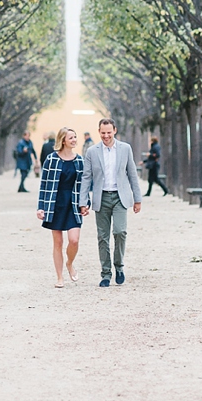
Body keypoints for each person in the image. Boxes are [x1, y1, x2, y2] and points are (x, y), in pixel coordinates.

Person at [79, 118, 142, 287]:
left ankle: (119, 267)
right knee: (103, 237)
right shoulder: (92, 151)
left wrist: (138, 199)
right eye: (103, 133)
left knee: (120, 232)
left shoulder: (125, 149)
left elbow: (132, 174)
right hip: (101, 198)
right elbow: (86, 178)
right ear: (99, 132)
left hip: (120, 197)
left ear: (115, 130)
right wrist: (82, 201)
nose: (106, 136)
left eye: (108, 132)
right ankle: (106, 273)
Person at [37, 127, 84, 287]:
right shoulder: (51, 159)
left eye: (75, 137)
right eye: (71, 137)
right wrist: (41, 206)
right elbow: (43, 184)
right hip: (55, 204)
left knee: (74, 240)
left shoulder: (80, 161)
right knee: (57, 242)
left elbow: (85, 185)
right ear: (63, 140)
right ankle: (59, 278)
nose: (74, 140)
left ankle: (69, 263)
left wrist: (86, 204)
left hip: (73, 204)